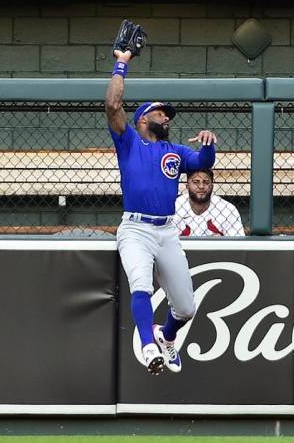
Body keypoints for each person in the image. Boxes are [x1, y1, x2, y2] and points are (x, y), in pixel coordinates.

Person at [105, 40, 217, 375]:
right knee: (141, 284)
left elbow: (201, 163)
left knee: (185, 307)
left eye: (167, 114)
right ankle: (148, 344)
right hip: (136, 229)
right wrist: (122, 62)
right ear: (142, 119)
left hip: (167, 230)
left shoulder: (175, 150)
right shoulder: (129, 142)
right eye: (159, 112)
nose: (166, 116)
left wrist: (209, 146)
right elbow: (113, 105)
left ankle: (166, 337)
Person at [173, 169, 245, 237]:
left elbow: (238, 246)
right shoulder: (175, 207)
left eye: (206, 182)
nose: (201, 186)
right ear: (187, 186)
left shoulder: (228, 209)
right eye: (196, 182)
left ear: (212, 186)